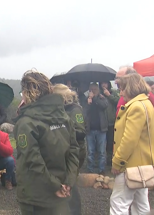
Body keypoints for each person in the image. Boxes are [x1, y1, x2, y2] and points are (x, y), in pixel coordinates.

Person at [13, 70, 79, 215]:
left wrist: (55, 186)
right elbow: (74, 150)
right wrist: (68, 181)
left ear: (27, 92)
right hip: (62, 190)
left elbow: (33, 160)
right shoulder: (64, 117)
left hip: (36, 196)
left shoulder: (26, 122)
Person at [110, 73, 154, 215]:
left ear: (130, 88)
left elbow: (129, 140)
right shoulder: (147, 104)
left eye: (122, 88)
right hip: (144, 164)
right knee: (141, 203)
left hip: (130, 164)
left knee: (119, 203)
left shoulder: (135, 107)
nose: (120, 92)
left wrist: (118, 162)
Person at [52, 84, 86, 215]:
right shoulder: (62, 109)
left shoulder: (75, 110)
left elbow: (81, 132)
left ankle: (74, 210)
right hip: (66, 149)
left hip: (76, 150)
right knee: (65, 181)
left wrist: (61, 131)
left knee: (71, 181)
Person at [84, 83, 108, 175]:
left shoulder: (101, 98)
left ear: (98, 90)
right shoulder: (87, 100)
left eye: (94, 89)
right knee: (90, 151)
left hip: (101, 129)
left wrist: (94, 98)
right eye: (91, 89)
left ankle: (101, 169)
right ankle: (90, 169)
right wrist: (88, 102)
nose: (93, 91)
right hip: (90, 129)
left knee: (102, 151)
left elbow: (104, 105)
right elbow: (84, 111)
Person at [99, 81, 120, 167]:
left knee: (111, 142)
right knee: (102, 143)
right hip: (102, 122)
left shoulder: (113, 92)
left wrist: (109, 95)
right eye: (102, 83)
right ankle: (102, 160)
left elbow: (118, 101)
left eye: (105, 83)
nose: (104, 85)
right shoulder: (99, 94)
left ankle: (110, 160)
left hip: (112, 122)